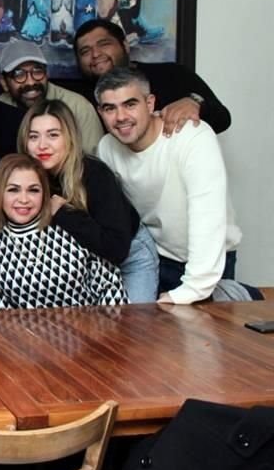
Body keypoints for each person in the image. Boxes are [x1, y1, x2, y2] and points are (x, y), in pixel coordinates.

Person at [0, 99, 158, 303]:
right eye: (34, 136)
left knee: (136, 324)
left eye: (53, 135)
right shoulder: (29, 173)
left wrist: (62, 213)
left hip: (129, 253)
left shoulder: (94, 175)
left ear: (69, 137)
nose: (42, 145)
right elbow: (1, 202)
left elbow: (116, 249)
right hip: (87, 261)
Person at [95, 67, 243, 304]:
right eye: (110, 108)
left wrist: (195, 287)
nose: (120, 116)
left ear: (150, 103)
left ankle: (245, 294)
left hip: (210, 260)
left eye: (130, 104)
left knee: (208, 337)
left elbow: (207, 214)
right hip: (156, 259)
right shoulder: (107, 148)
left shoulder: (192, 136)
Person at [0, 154, 128, 309]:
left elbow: (111, 288)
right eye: (13, 190)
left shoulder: (70, 227)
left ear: (44, 194)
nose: (24, 199)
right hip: (25, 333)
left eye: (33, 190)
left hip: (94, 329)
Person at [74, 18, 231, 135]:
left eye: (104, 44)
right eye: (85, 51)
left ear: (125, 46)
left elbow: (222, 119)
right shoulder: (77, 96)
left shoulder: (172, 74)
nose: (95, 54)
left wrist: (195, 102)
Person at [0, 40, 104, 153]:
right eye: (19, 74)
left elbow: (95, 160)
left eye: (37, 71)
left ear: (47, 74)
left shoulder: (77, 106)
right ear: (4, 83)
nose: (31, 82)